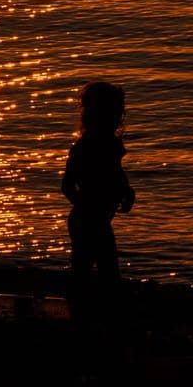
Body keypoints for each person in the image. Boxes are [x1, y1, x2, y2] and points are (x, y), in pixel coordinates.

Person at [61, 81, 135, 290]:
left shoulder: (111, 144)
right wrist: (89, 207)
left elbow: (115, 173)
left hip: (98, 217)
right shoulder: (85, 147)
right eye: (115, 111)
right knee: (100, 273)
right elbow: (67, 185)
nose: (119, 117)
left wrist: (126, 191)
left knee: (98, 271)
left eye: (119, 111)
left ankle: (87, 313)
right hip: (88, 220)